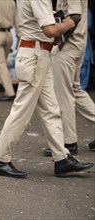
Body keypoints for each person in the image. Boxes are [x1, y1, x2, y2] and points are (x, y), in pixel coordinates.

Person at [0, 0, 94, 178]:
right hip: (35, 55)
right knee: (21, 111)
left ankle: (61, 159)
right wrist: (72, 21)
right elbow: (50, 30)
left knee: (51, 110)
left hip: (38, 54)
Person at [43, 0, 95, 157]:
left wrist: (59, 39)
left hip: (68, 47)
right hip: (75, 45)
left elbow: (75, 16)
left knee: (64, 95)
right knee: (75, 90)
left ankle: (69, 142)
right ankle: (68, 141)